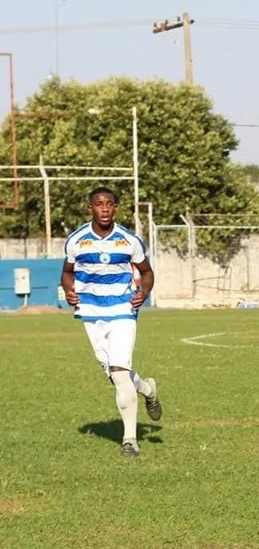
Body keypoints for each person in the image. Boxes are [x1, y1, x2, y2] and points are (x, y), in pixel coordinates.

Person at [62, 187, 162, 457]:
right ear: (90, 208)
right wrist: (69, 291)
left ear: (115, 208)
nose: (104, 209)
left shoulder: (129, 240)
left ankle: (129, 440)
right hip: (91, 312)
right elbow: (67, 273)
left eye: (109, 204)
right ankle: (147, 388)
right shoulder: (76, 240)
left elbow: (146, 272)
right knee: (116, 377)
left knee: (118, 371)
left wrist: (144, 292)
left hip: (122, 309)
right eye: (98, 204)